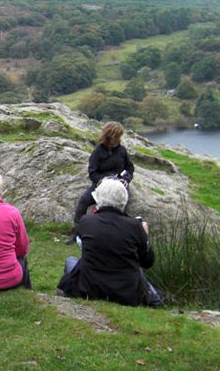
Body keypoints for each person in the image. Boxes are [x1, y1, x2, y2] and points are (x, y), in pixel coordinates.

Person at [58, 178, 160, 306]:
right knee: (139, 272)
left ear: (98, 198)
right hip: (125, 293)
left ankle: (66, 294)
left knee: (71, 261)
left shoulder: (86, 221)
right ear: (124, 199)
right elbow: (147, 262)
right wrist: (145, 237)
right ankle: (155, 299)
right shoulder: (135, 226)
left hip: (90, 288)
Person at [68, 121, 134, 243]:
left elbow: (129, 168)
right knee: (83, 201)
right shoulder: (98, 151)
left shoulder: (122, 150)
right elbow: (92, 173)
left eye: (119, 136)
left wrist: (126, 179)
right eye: (116, 136)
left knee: (121, 207)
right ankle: (77, 232)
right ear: (108, 136)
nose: (118, 139)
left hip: (119, 185)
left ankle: (118, 236)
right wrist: (103, 181)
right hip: (101, 185)